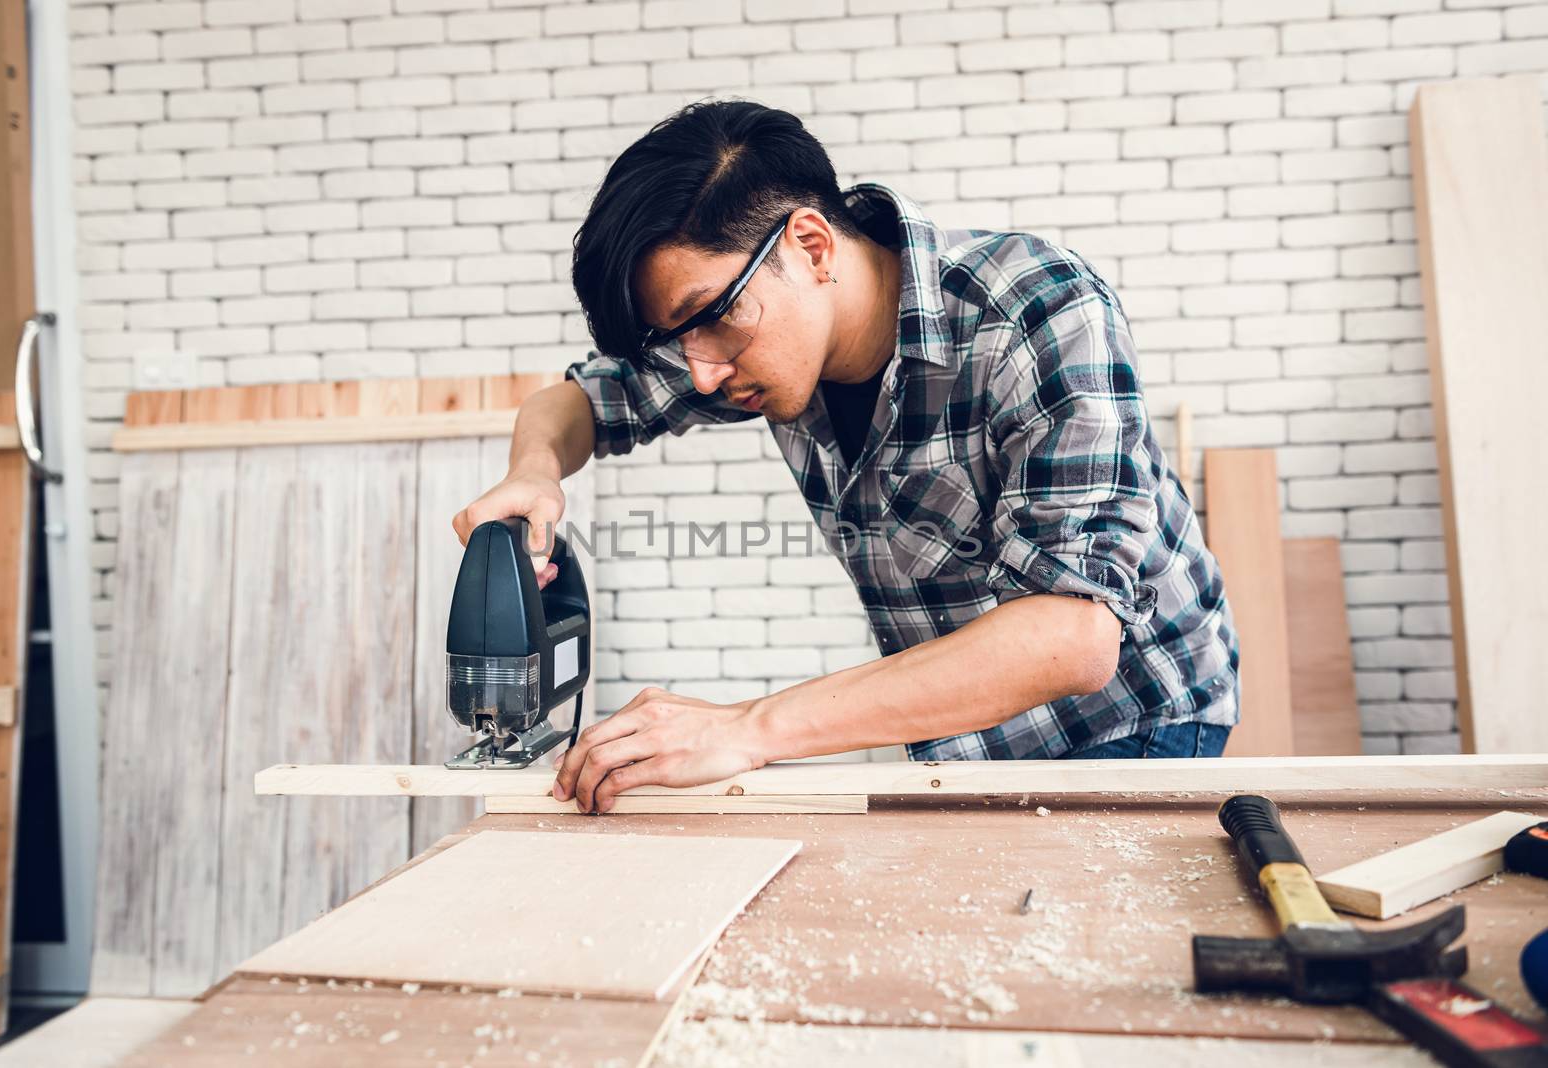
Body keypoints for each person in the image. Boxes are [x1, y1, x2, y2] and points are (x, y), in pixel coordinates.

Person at [452, 100, 1238, 814]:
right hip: (962, 740)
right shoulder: (747, 338)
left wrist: (750, 729)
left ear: (811, 243)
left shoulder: (1037, 311)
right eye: (676, 339)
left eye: (711, 320)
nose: (699, 373)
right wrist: (534, 473)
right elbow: (577, 403)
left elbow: (1074, 637)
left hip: (1133, 719)